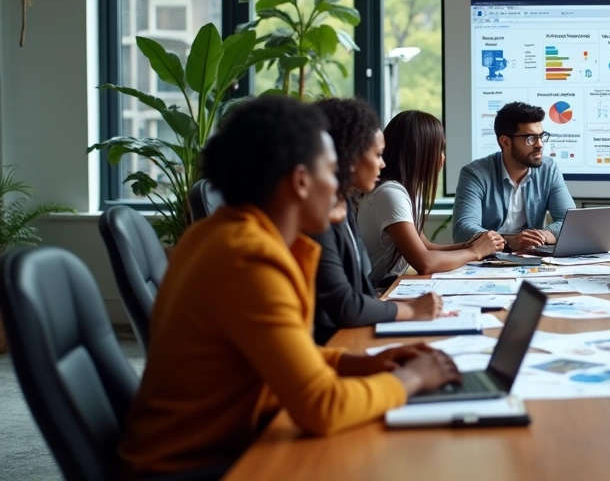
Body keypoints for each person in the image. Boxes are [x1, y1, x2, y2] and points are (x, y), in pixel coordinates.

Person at [120, 96, 461, 478]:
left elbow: (294, 350)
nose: (342, 186)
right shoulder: (250, 259)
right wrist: (412, 378)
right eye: (334, 172)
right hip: (197, 466)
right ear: (301, 182)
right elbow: (322, 407)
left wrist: (364, 362)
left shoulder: (220, 234)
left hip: (228, 443)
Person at [310, 99, 447, 345]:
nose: (382, 163)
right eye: (377, 154)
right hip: (336, 342)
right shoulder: (319, 222)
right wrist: (411, 310)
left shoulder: (344, 207)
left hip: (351, 334)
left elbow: (357, 295)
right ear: (347, 158)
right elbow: (346, 305)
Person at [358, 110, 504, 281]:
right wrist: (475, 252)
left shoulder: (405, 191)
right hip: (373, 293)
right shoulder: (390, 194)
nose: (443, 158)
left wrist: (470, 245)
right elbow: (425, 262)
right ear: (420, 152)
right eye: (440, 149)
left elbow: (426, 247)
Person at [453, 101, 575, 251]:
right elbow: (463, 230)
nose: (540, 144)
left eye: (541, 136)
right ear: (505, 142)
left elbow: (570, 221)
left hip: (532, 258)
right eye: (530, 138)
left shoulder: (548, 169)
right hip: (488, 260)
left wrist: (542, 236)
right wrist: (509, 241)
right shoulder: (475, 174)